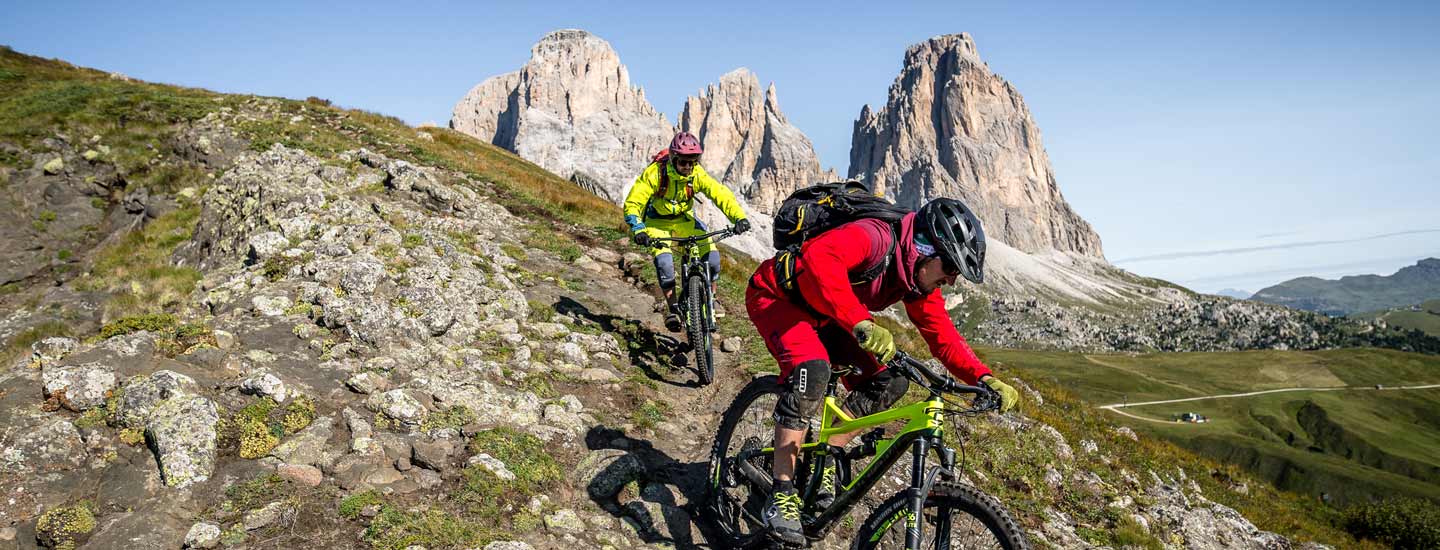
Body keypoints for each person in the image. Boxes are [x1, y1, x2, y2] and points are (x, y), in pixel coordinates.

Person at [743, 197, 1020, 545]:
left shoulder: (917, 281)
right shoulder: (874, 237)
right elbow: (820, 258)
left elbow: (943, 338)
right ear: (927, 249)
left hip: (829, 314)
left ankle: (825, 456)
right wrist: (859, 320)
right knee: (811, 372)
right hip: (778, 299)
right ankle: (781, 493)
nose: (951, 280)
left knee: (891, 379)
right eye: (950, 268)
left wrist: (984, 378)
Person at [624, 132, 750, 332]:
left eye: (693, 162)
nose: (688, 167)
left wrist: (738, 218)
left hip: (685, 220)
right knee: (665, 264)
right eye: (683, 162)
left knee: (713, 259)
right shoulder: (656, 174)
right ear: (673, 159)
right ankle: (673, 308)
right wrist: (639, 229)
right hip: (657, 223)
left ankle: (711, 298)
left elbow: (720, 194)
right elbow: (633, 202)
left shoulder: (696, 174)